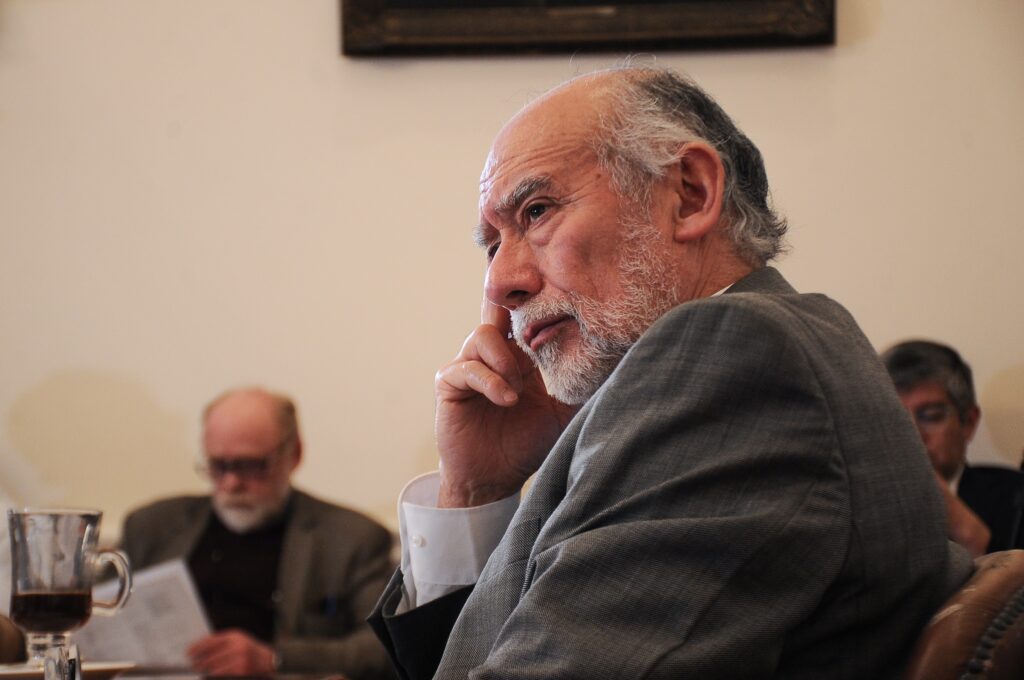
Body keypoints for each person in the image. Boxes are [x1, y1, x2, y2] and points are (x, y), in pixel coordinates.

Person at [368, 65, 973, 679]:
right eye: (493, 244)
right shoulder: (738, 360)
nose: (500, 282)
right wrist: (474, 491)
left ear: (690, 194)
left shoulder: (734, 353)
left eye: (537, 211)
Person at [121, 387, 395, 680]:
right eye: (217, 466)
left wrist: (275, 659)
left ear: (294, 454)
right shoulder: (152, 527)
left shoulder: (352, 539)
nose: (231, 483)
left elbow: (382, 646)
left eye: (251, 466)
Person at [882, 340, 1024, 555]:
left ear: (969, 422)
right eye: (895, 420)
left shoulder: (1016, 497)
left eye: (931, 416)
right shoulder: (851, 504)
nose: (913, 436)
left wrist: (959, 521)